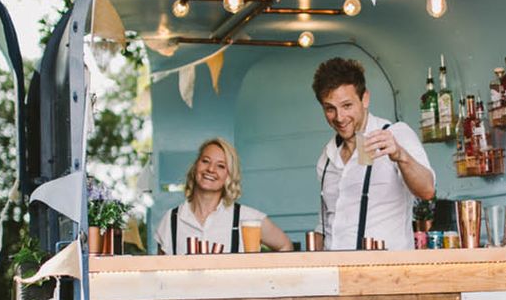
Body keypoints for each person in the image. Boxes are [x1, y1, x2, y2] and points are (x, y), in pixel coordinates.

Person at [312, 57, 435, 251]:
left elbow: (427, 190)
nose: (340, 117)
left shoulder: (396, 134)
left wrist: (401, 155)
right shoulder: (326, 157)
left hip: (386, 267)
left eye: (347, 105)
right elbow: (326, 225)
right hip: (335, 267)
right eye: (330, 109)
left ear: (365, 98)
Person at [154, 137, 293, 254]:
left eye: (220, 166)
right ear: (196, 166)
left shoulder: (247, 219)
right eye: (205, 161)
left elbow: (285, 246)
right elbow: (160, 273)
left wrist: (262, 277)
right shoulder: (171, 220)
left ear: (229, 175)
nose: (211, 169)